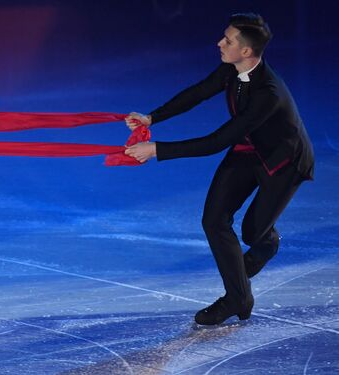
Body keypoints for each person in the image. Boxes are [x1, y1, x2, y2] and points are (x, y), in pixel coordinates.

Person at [124, 13, 314, 325]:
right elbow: (199, 92)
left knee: (254, 233)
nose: (219, 43)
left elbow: (217, 141)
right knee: (214, 220)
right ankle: (239, 298)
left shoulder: (268, 93)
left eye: (228, 40)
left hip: (283, 160)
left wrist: (158, 150)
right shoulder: (231, 68)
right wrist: (152, 118)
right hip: (248, 148)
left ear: (247, 52)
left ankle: (267, 243)